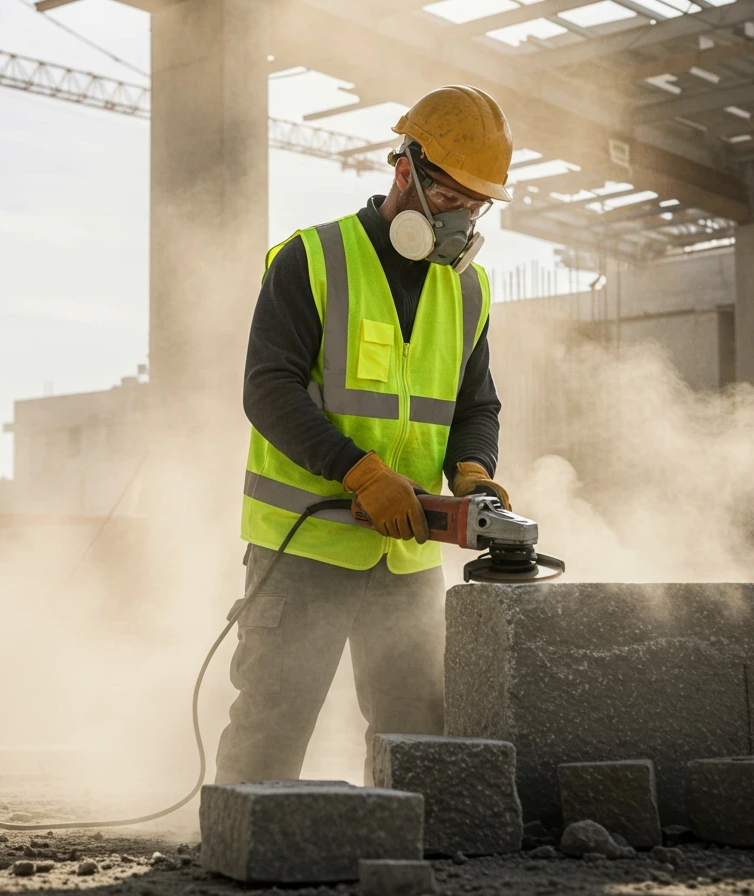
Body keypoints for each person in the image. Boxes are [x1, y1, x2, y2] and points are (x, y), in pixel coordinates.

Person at [216, 85, 514, 784]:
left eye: (477, 203)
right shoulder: (311, 260)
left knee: (418, 736)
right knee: (274, 725)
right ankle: (234, 859)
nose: (461, 217)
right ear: (404, 169)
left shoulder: (469, 291)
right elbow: (268, 391)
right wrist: (361, 473)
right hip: (306, 542)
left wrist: (472, 470)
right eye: (448, 197)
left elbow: (477, 403)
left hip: (406, 556)